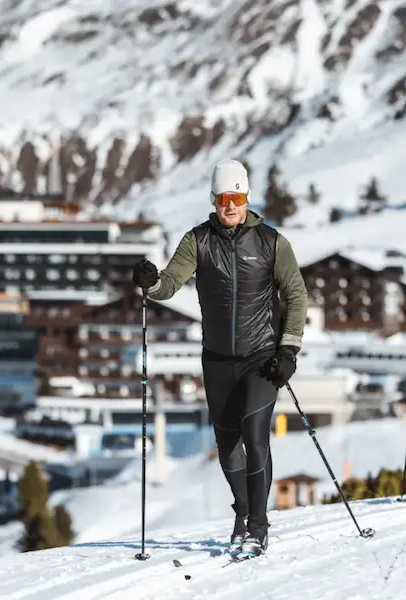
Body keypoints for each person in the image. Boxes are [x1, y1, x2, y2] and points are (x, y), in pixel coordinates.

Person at [131, 159, 308, 557]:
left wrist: (288, 350)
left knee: (256, 438)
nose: (230, 205)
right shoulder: (197, 241)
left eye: (237, 197)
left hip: (262, 356)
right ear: (213, 200)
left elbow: (296, 295)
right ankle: (242, 513)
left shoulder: (272, 242)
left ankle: (259, 526)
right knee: (227, 444)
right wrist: (151, 282)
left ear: (246, 197)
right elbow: (170, 283)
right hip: (217, 360)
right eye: (223, 198)